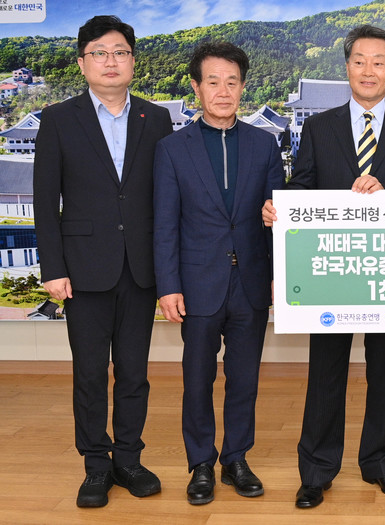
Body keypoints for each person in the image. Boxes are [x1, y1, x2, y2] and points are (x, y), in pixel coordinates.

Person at [262, 24, 385, 509]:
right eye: (359, 61)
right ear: (347, 68)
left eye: (379, 62)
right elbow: (302, 186)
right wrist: (279, 206)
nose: (368, 70)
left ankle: (380, 461)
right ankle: (316, 470)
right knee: (326, 370)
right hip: (331, 269)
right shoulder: (319, 127)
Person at [32, 15, 173, 508]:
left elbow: (165, 196)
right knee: (90, 373)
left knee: (134, 372)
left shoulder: (156, 118)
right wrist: (53, 268)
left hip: (140, 267)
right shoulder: (58, 118)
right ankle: (95, 465)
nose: (110, 61)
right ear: (82, 63)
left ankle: (128, 459)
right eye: (99, 53)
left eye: (120, 52)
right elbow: (44, 200)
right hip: (82, 268)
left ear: (133, 61)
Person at [153, 41, 283, 505]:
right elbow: (164, 223)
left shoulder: (264, 144)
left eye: (232, 82)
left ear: (243, 87)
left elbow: (278, 216)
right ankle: (201, 463)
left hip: (251, 282)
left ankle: (236, 459)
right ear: (196, 87)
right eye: (213, 82)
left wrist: (278, 273)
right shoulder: (172, 149)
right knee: (197, 379)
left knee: (244, 378)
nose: (223, 91)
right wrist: (168, 285)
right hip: (197, 283)